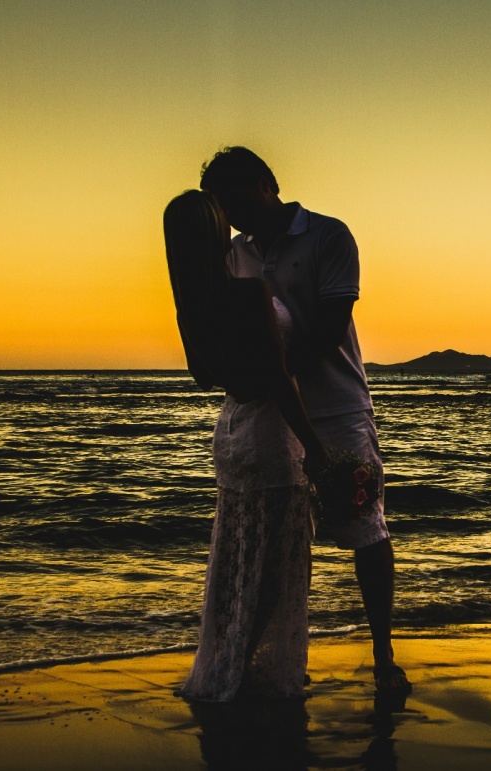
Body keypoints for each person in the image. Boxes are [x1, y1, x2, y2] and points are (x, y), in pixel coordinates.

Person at [199, 146, 410, 696]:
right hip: (269, 414)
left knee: (362, 522)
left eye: (239, 198)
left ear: (268, 184)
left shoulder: (327, 236)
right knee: (272, 538)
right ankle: (250, 654)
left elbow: (330, 327)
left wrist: (273, 367)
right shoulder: (234, 254)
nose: (234, 213)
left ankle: (382, 652)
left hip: (335, 404)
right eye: (223, 205)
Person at [164, 189, 331, 702]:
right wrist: (316, 449)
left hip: (230, 431)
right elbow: (280, 380)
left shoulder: (189, 307)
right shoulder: (247, 292)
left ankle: (228, 662)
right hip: (266, 432)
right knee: (276, 565)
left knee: (236, 557)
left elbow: (202, 377)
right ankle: (244, 673)